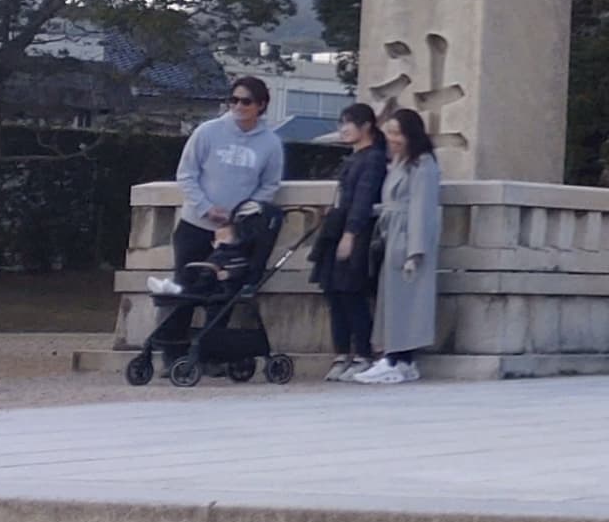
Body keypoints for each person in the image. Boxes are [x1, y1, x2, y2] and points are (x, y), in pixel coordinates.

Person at [172, 77, 290, 280]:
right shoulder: (206, 131)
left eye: (246, 101)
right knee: (183, 293)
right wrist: (206, 208)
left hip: (236, 232)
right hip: (195, 226)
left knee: (222, 297)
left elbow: (269, 185)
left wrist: (239, 217)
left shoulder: (271, 143)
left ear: (261, 105)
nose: (238, 106)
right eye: (234, 100)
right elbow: (186, 174)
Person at [363, 105, 443, 385]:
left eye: (397, 134)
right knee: (392, 300)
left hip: (408, 237)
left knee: (406, 301)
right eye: (390, 134)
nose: (393, 139)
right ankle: (396, 357)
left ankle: (400, 358)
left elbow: (422, 208)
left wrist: (415, 251)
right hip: (392, 232)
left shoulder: (423, 164)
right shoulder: (400, 162)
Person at [307, 102, 387, 381]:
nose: (343, 129)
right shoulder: (353, 158)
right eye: (341, 123)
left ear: (366, 126)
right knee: (334, 294)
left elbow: (364, 200)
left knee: (352, 294)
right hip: (335, 229)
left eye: (348, 123)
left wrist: (350, 234)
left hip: (356, 233)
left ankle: (363, 353)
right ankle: (341, 353)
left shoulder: (374, 158)